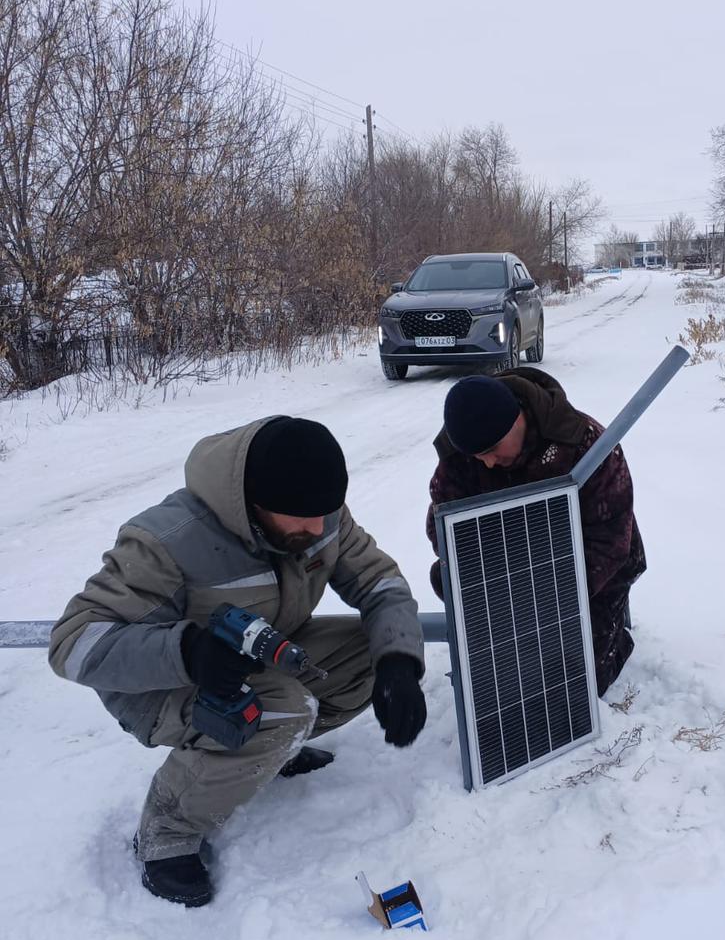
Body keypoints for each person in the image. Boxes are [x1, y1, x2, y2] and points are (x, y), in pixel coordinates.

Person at [49, 416, 426, 908]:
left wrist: (399, 661)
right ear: (254, 505)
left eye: (325, 516)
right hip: (159, 689)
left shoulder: (321, 518)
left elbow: (381, 584)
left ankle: (270, 748)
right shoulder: (166, 540)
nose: (317, 532)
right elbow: (73, 644)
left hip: (258, 656)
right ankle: (168, 828)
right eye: (302, 519)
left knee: (369, 654)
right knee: (282, 708)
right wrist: (187, 651)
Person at [426, 369, 644, 697]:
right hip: (510, 575)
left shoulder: (585, 443)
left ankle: (613, 632)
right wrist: (502, 593)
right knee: (507, 680)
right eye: (477, 456)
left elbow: (610, 540)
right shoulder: (462, 454)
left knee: (575, 684)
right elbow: (441, 528)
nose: (486, 463)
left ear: (517, 420)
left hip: (587, 571)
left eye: (493, 449)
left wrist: (545, 601)